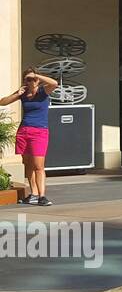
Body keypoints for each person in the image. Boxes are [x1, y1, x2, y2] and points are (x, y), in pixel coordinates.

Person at [2, 69, 59, 206]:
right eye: (27, 79)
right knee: (27, 163)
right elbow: (2, 102)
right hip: (24, 131)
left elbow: (54, 83)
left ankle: (42, 196)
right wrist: (17, 93)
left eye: (33, 79)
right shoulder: (23, 93)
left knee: (38, 165)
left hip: (39, 132)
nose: (30, 82)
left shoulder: (43, 92)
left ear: (38, 80)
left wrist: (36, 75)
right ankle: (33, 194)